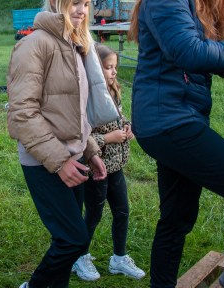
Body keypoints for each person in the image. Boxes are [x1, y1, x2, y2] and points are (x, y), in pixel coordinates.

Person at [128, 0, 224, 288]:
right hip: (169, 122)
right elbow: (189, 51)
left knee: (177, 217)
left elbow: (214, 51)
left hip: (176, 119)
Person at [7, 0, 108, 288]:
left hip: (73, 158)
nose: (81, 10)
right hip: (44, 161)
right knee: (73, 239)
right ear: (54, 1)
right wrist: (60, 161)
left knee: (65, 239)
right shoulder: (34, 45)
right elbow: (23, 114)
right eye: (75, 2)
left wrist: (90, 150)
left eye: (86, 4)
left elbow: (75, 110)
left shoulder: (75, 44)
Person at [72, 44, 145, 282]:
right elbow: (82, 136)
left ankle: (119, 258)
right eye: (107, 67)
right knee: (93, 213)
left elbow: (120, 118)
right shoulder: (86, 98)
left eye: (115, 67)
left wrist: (128, 127)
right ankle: (80, 256)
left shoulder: (113, 90)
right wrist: (109, 138)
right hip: (96, 168)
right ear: (94, 69)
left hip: (116, 165)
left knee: (122, 211)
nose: (113, 72)